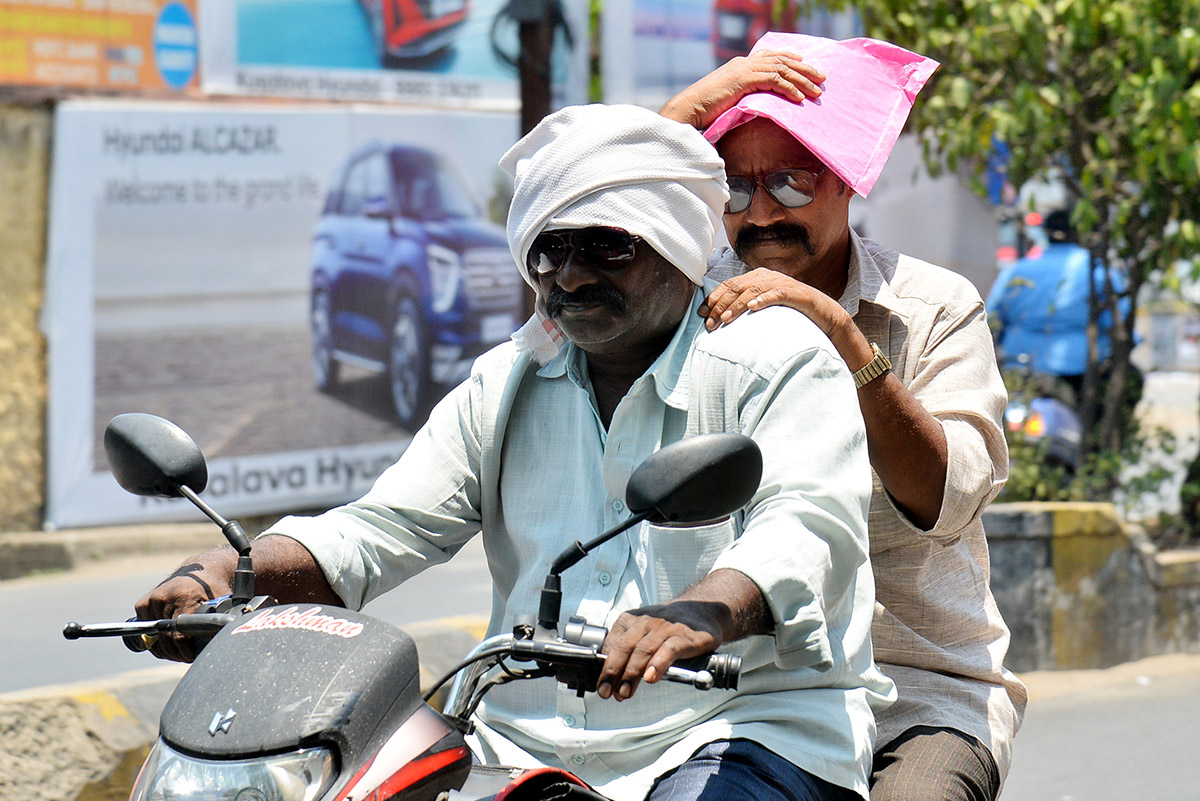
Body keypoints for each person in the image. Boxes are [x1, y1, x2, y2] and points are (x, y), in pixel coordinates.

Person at [136, 103, 894, 801]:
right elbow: (382, 525)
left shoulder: (775, 358)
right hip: (521, 746)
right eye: (549, 250)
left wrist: (702, 610)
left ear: (677, 246)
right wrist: (224, 573)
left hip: (743, 727)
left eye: (606, 246)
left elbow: (807, 523)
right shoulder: (507, 380)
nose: (569, 275)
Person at [659, 34, 1027, 801]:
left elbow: (947, 497)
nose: (761, 212)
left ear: (847, 182)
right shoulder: (682, 303)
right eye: (734, 188)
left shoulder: (934, 307)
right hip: (745, 696)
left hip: (918, 693)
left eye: (792, 183)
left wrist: (840, 331)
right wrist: (690, 108)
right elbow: (589, 245)